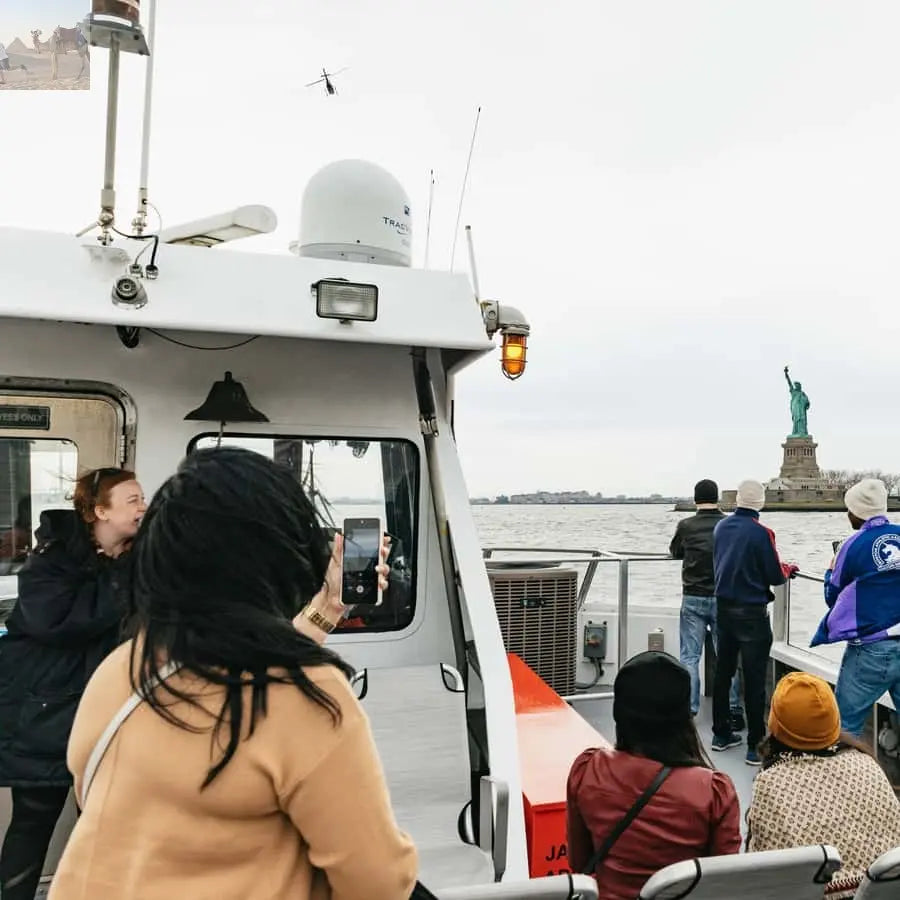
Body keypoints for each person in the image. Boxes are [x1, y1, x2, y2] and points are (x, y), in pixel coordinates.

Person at [49, 447, 418, 900]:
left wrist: (329, 605)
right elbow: (378, 883)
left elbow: (243, 658)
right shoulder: (307, 696)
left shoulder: (122, 669)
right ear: (280, 555)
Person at [0, 468, 145, 900]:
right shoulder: (53, 560)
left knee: (104, 826)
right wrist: (125, 574)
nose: (143, 507)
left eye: (143, 498)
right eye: (132, 500)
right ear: (100, 511)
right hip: (48, 711)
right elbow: (59, 622)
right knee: (34, 821)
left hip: (112, 713)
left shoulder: (140, 559)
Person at [567, 651, 740, 900]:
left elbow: (580, 861)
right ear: (683, 719)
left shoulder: (587, 770)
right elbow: (722, 884)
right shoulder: (714, 792)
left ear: (619, 714)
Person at [747, 671, 900, 899]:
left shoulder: (770, 783)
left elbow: (763, 876)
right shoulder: (867, 763)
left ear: (775, 726)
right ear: (834, 721)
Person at [710, 480, 798, 764]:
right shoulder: (763, 533)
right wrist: (787, 569)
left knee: (723, 674)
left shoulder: (721, 527)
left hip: (723, 609)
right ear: (760, 502)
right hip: (751, 614)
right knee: (755, 680)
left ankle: (721, 734)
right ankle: (755, 744)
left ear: (737, 499)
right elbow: (774, 575)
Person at [811, 478, 900, 736]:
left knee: (844, 727)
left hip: (872, 648)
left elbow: (833, 595)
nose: (847, 514)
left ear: (857, 512)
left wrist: (830, 570)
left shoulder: (851, 546)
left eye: (849, 509)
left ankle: (844, 775)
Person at [669, 478, 743, 727]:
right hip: (724, 597)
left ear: (695, 499)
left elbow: (676, 551)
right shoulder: (729, 524)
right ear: (718, 498)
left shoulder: (686, 525)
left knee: (689, 656)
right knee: (727, 656)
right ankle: (732, 710)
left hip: (692, 597)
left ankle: (689, 709)